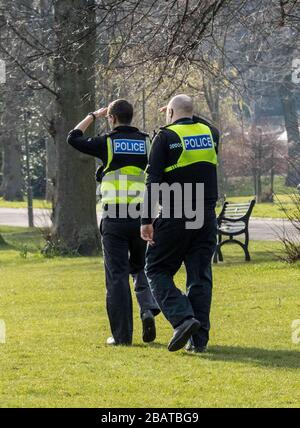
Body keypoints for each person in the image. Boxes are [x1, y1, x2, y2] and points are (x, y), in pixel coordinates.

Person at [67, 99, 160, 346]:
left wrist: (92, 115)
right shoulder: (146, 142)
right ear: (131, 116)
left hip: (115, 219)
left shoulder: (107, 143)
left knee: (117, 276)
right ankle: (148, 307)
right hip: (142, 217)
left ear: (112, 118)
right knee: (139, 267)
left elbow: (73, 138)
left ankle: (122, 337)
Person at [141, 94, 219, 353]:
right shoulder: (209, 133)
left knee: (155, 269)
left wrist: (146, 220)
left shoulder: (164, 137)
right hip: (206, 215)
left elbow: (153, 181)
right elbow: (208, 126)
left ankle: (183, 319)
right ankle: (199, 342)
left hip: (177, 212)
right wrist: (186, 113)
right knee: (199, 277)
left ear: (171, 114)